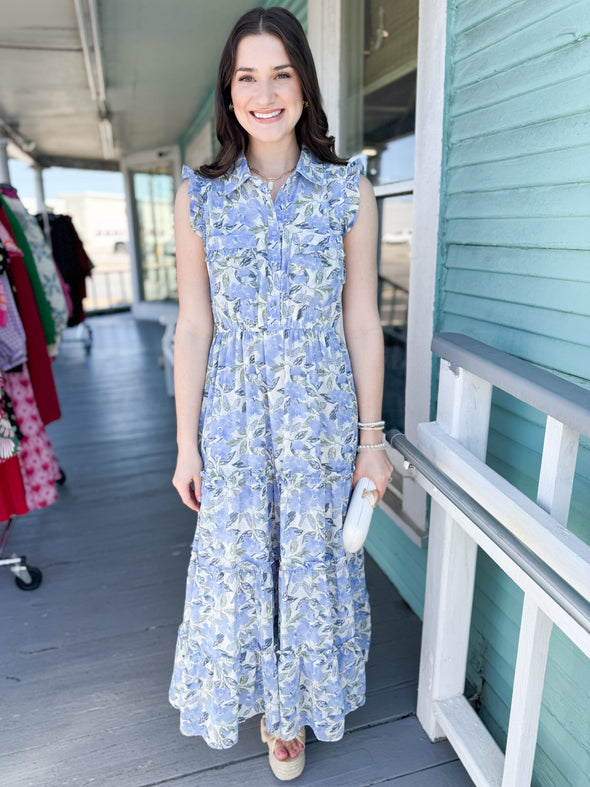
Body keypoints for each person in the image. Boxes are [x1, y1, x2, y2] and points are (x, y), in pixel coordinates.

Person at [169, 6, 393, 781]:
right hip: (232, 416)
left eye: (280, 74)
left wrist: (373, 439)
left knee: (308, 563)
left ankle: (292, 711)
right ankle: (264, 697)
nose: (265, 93)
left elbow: (363, 321)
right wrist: (185, 441)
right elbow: (193, 327)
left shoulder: (345, 190)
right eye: (247, 78)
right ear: (229, 93)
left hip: (320, 418)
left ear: (304, 83)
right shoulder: (200, 196)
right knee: (242, 564)